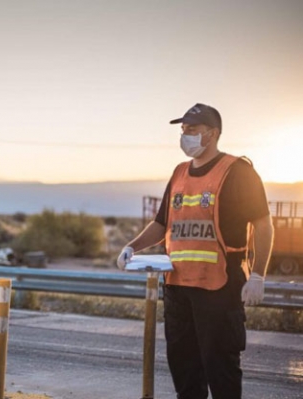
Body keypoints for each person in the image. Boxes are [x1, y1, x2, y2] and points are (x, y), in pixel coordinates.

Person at [116, 103, 274, 399]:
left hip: (220, 288)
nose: (185, 135)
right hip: (177, 288)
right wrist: (131, 247)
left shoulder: (238, 172)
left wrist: (258, 276)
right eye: (183, 130)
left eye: (193, 129)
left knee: (221, 369)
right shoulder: (179, 173)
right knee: (185, 371)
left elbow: (264, 225)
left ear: (212, 134)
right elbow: (162, 222)